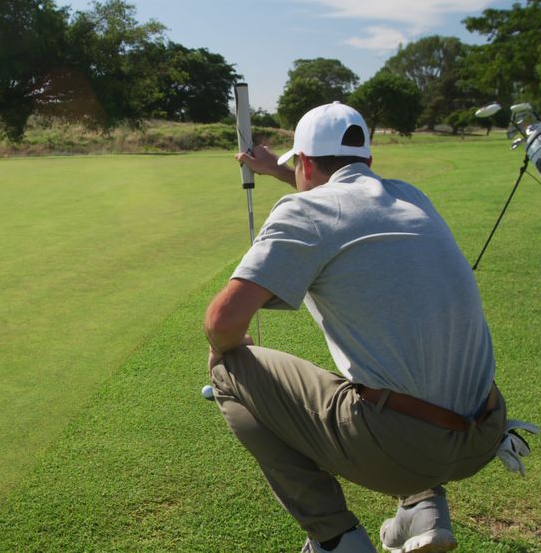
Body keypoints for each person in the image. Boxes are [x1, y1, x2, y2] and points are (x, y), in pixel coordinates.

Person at [204, 102, 524, 552]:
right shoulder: (412, 196)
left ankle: (336, 538)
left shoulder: (304, 211)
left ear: (306, 162)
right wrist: (279, 168)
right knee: (388, 363)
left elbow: (224, 320)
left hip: (402, 447)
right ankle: (423, 508)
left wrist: (223, 349)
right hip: (484, 430)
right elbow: (344, 195)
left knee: (229, 369)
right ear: (369, 162)